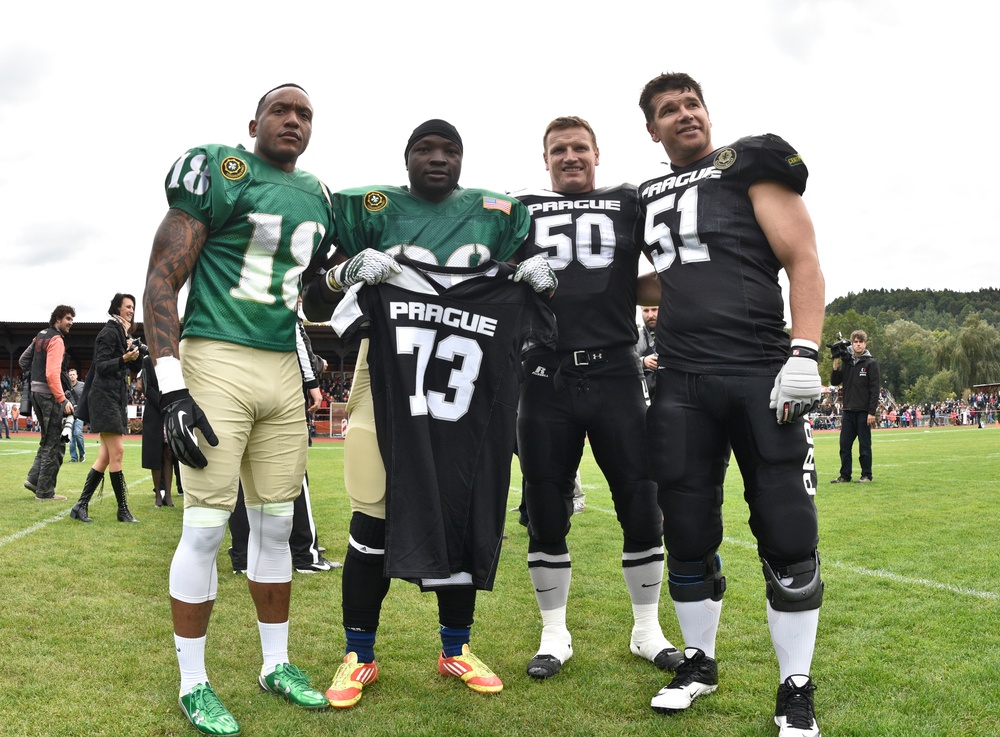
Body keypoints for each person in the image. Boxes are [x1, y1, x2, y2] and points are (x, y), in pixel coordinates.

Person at [301, 118, 553, 708]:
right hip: (383, 372)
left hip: (464, 382)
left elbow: (535, 281)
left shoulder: (500, 212)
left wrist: (542, 279)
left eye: (450, 150)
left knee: (460, 503)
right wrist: (345, 272)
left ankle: (455, 648)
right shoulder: (371, 208)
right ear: (406, 156)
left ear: (463, 159)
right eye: (424, 149)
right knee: (373, 511)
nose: (438, 159)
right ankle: (358, 655)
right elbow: (310, 288)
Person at [637, 72, 826, 737]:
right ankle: (698, 663)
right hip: (682, 381)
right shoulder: (645, 196)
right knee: (686, 531)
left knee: (787, 529)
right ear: (652, 128)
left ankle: (795, 687)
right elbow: (656, 275)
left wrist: (804, 351)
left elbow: (801, 254)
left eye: (692, 103)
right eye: (668, 109)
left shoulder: (745, 161)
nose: (684, 113)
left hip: (758, 371)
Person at [142, 83, 335, 736]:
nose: (293, 120)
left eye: (304, 112)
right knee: (204, 525)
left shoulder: (317, 195)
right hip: (215, 356)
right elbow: (162, 276)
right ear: (253, 122)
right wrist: (170, 383)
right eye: (281, 109)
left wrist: (342, 276)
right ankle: (193, 681)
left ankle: (274, 663)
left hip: (281, 364)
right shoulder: (221, 170)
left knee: (277, 526)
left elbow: (308, 292)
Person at [512, 116, 679, 681]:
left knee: (640, 497)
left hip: (614, 371)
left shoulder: (630, 201)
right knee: (543, 504)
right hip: (544, 371)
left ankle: (647, 629)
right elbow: (487, 270)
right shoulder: (520, 207)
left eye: (579, 147)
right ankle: (554, 634)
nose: (570, 156)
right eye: (558, 149)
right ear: (546, 159)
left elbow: (670, 263)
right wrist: (514, 270)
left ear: (598, 153)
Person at [228, 311, 338, 575]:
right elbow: (297, 342)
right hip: (276, 394)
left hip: (235, 389)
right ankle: (304, 553)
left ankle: (243, 556)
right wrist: (314, 376)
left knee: (243, 479)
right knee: (295, 477)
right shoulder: (281, 300)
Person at [70, 293, 142, 523]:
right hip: (104, 397)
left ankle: (80, 506)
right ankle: (122, 509)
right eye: (127, 307)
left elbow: (135, 365)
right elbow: (101, 366)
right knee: (117, 452)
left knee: (104, 456)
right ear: (117, 309)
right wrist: (124, 357)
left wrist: (132, 352)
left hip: (114, 397)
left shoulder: (123, 334)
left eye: (133, 307)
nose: (131, 310)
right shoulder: (109, 332)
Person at [20, 305, 76, 501]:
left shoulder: (40, 336)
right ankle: (45, 492)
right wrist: (62, 399)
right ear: (58, 318)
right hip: (49, 396)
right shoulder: (56, 339)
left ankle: (33, 480)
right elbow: (52, 374)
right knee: (55, 442)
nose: (71, 322)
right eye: (68, 318)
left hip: (36, 394)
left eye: (72, 319)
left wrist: (34, 375)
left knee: (46, 440)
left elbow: (22, 360)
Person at [830, 330, 880, 484]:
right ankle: (845, 475)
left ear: (865, 343)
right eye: (855, 342)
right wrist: (836, 359)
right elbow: (834, 381)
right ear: (851, 344)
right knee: (844, 445)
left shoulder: (871, 363)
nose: (858, 344)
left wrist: (872, 412)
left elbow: (874, 389)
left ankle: (867, 475)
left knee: (864, 446)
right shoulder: (847, 362)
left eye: (861, 342)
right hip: (848, 411)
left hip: (864, 412)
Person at [136, 356, 177, 507]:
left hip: (170, 410)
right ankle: (158, 495)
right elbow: (147, 387)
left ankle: (168, 495)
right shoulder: (148, 360)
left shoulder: (173, 361)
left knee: (169, 454)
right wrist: (162, 404)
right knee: (155, 454)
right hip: (154, 412)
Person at [636, 305, 658, 397]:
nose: (650, 315)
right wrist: (643, 362)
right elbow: (623, 362)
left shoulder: (673, 335)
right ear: (641, 311)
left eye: (654, 310)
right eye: (646, 311)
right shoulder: (634, 336)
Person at [67, 368, 86, 462]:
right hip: (69, 414)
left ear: (77, 375)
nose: (72, 376)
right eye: (70, 375)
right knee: (71, 436)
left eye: (73, 374)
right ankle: (74, 457)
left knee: (77, 433)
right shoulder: (66, 387)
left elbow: (87, 396)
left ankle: (82, 454)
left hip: (79, 413)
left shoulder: (82, 385)